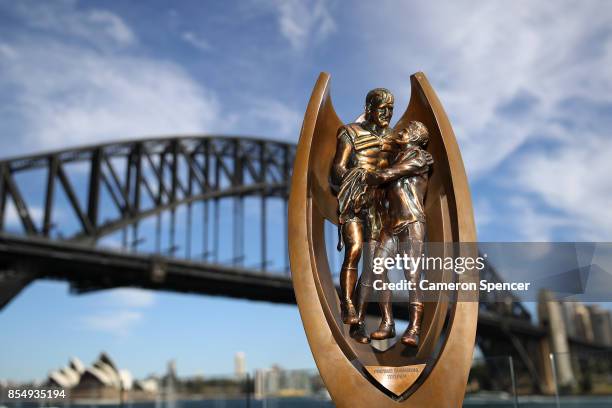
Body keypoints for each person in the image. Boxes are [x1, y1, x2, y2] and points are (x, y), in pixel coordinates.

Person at [330, 88, 399, 343]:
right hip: (355, 201)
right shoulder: (350, 132)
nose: (387, 114)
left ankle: (359, 321)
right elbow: (336, 169)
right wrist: (356, 178)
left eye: (391, 110)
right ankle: (347, 303)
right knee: (355, 250)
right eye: (382, 109)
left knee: (374, 266)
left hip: (379, 207)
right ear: (369, 108)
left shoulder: (395, 139)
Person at [366, 120, 433, 346]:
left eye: (405, 130)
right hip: (391, 225)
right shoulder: (395, 158)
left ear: (415, 137)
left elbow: (390, 174)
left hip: (412, 221)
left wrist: (373, 174)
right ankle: (388, 323)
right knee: (377, 269)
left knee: (412, 277)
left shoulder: (420, 157)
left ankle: (414, 328)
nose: (400, 132)